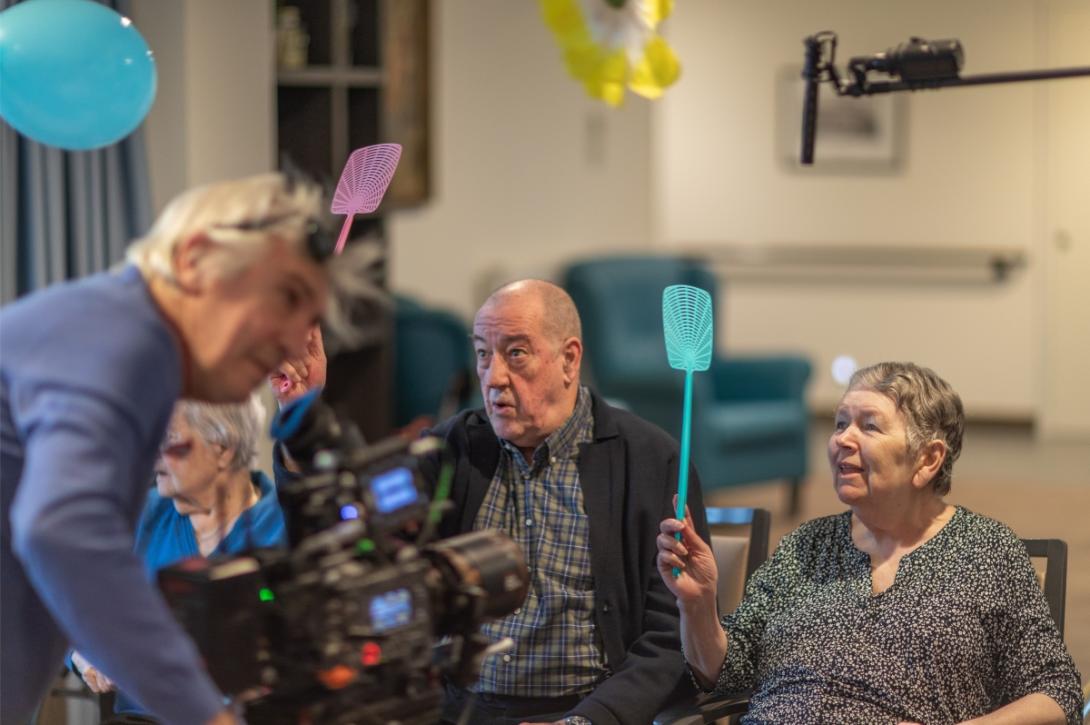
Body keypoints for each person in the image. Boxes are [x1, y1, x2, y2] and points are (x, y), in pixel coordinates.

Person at [0, 172, 367, 725]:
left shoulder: (118, 336)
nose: (293, 340)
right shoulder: (124, 345)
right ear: (195, 261)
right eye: (283, 302)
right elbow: (59, 530)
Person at [657, 361, 1083, 724]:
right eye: (840, 423)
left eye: (869, 426)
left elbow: (1055, 692)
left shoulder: (986, 550)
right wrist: (697, 604)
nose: (842, 439)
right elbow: (727, 673)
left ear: (928, 458)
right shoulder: (806, 545)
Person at [424, 279, 712, 725]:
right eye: (483, 353)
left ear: (569, 359)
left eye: (516, 353)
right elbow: (347, 534)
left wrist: (591, 720)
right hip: (457, 710)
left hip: (580, 710)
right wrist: (299, 416)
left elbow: (670, 635)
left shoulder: (652, 460)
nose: (494, 376)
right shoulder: (453, 449)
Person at [69, 396, 287, 721]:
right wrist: (85, 653)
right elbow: (63, 600)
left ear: (223, 448)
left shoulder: (283, 529)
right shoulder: (136, 516)